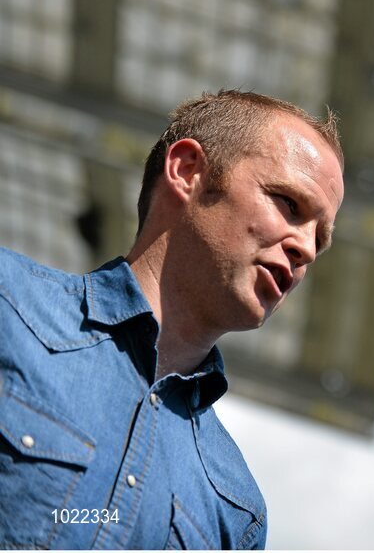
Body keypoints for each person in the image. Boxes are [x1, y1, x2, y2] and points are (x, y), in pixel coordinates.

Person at [0, 90, 344, 549]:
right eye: (288, 203)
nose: (305, 249)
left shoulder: (235, 512)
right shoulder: (8, 305)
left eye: (319, 239)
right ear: (187, 171)